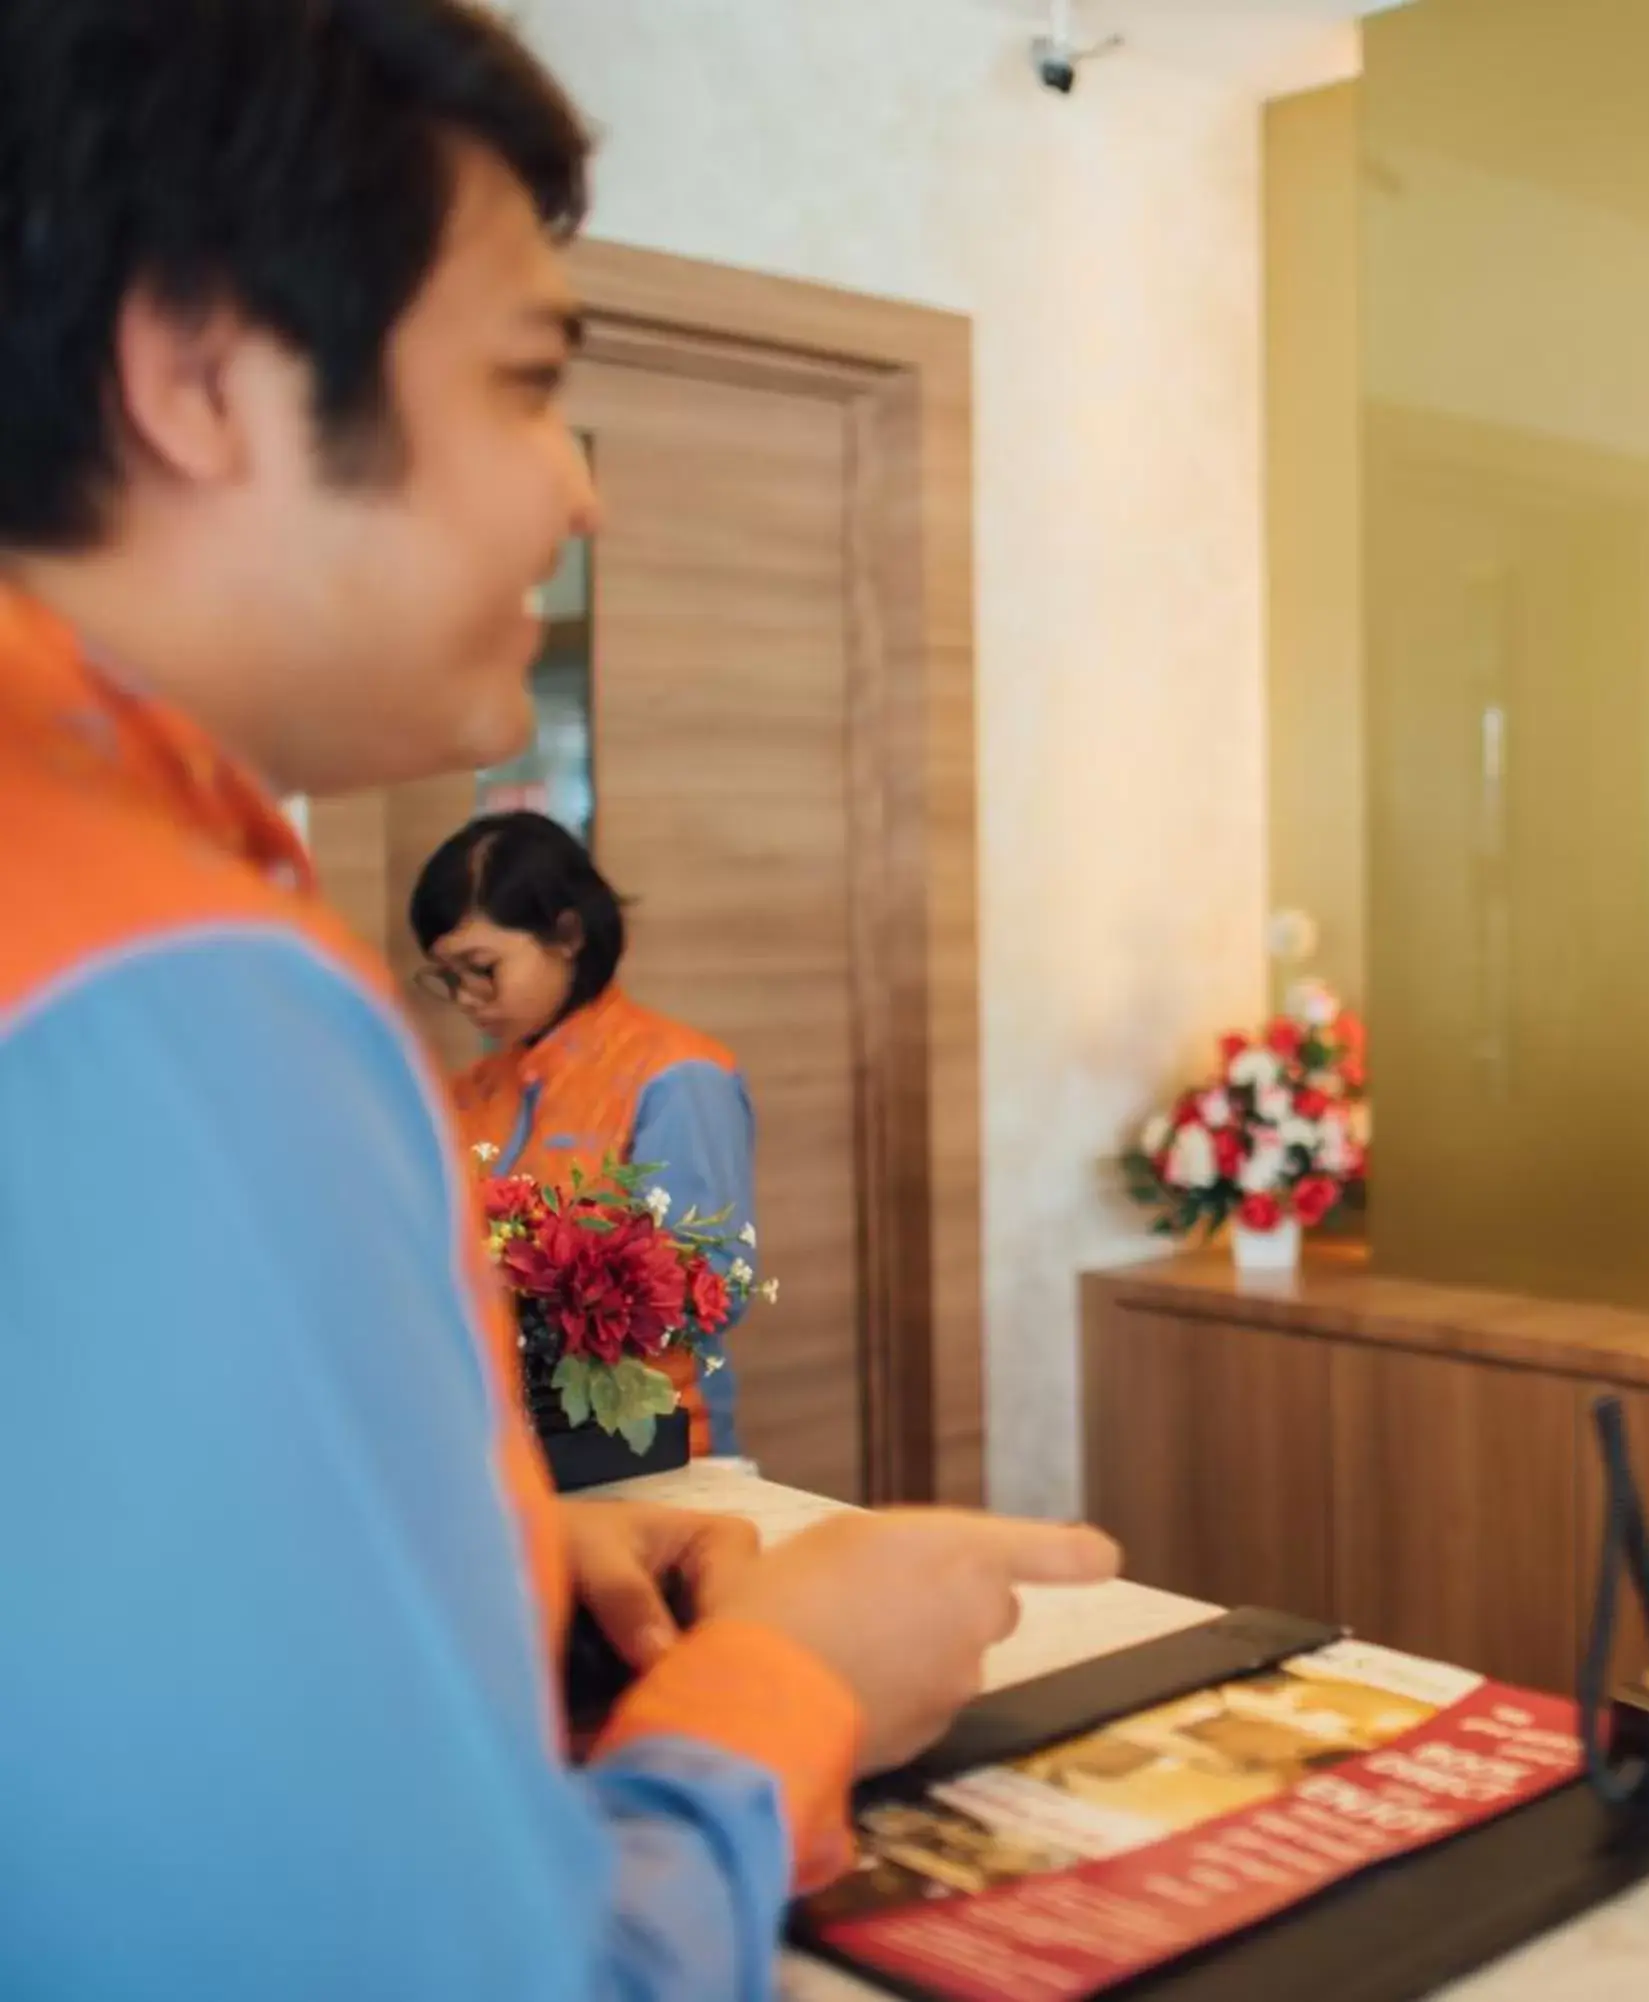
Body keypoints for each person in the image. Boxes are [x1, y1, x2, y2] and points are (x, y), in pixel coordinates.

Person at [0, 6, 1116, 1998]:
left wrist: (496, 1566)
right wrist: (792, 1686)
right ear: (198, 372)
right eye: (524, 385)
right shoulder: (177, 995)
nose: (574, 495)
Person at [418, 811, 755, 1458]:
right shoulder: (470, 1088)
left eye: (481, 967)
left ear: (567, 934)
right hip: (507, 1447)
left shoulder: (678, 1077)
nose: (464, 996)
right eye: (447, 976)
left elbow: (714, 1282)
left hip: (654, 1442)